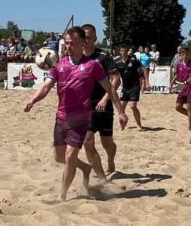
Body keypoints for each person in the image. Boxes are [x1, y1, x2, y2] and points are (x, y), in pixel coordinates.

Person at [23, 26, 128, 201]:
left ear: (82, 43)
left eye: (72, 43)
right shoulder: (59, 64)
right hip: (62, 117)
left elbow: (110, 88)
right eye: (66, 43)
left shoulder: (92, 65)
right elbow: (47, 86)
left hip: (81, 119)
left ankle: (62, 196)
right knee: (59, 157)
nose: (68, 47)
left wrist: (121, 112)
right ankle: (85, 167)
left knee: (70, 156)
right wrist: (33, 100)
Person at [81, 24, 122, 179]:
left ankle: (110, 159)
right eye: (83, 37)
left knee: (107, 144)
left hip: (104, 105)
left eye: (88, 37)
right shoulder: (77, 57)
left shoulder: (104, 57)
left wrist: (105, 99)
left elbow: (116, 79)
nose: (85, 40)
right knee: (87, 141)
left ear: (95, 39)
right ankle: (102, 178)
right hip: (85, 108)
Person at [115, 45, 148, 129]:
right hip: (125, 88)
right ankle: (122, 125)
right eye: (122, 51)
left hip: (135, 87)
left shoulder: (134, 60)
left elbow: (144, 69)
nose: (124, 52)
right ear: (120, 52)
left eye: (125, 51)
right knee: (121, 108)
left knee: (133, 106)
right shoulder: (118, 64)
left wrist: (147, 82)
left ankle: (138, 124)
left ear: (128, 51)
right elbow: (116, 78)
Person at [170, 46, 191, 130]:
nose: (185, 56)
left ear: (189, 54)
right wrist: (171, 83)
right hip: (182, 87)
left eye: (187, 54)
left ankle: (190, 127)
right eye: (183, 54)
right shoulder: (179, 63)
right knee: (178, 107)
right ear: (181, 54)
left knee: (189, 107)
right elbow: (177, 75)